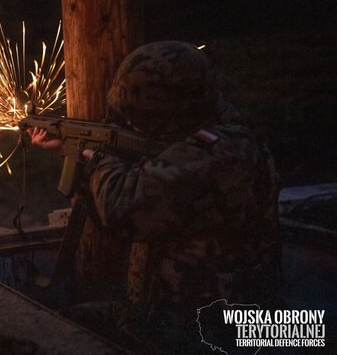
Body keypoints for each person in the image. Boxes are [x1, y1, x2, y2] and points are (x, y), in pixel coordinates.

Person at [27, 41, 281, 334]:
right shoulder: (212, 135)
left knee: (56, 334)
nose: (134, 125)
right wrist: (73, 148)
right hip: (172, 311)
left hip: (209, 329)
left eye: (142, 118)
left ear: (175, 109)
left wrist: (95, 158)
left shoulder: (219, 153)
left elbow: (121, 209)